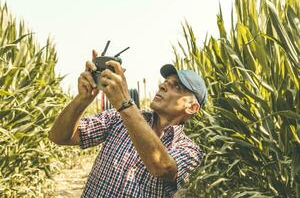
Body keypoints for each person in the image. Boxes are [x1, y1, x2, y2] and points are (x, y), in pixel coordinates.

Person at [48, 50, 207, 197]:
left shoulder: (191, 151)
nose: (162, 85)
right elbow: (58, 136)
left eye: (176, 86)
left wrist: (124, 102)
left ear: (192, 107)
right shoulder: (117, 118)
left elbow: (162, 167)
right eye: (166, 81)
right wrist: (83, 99)